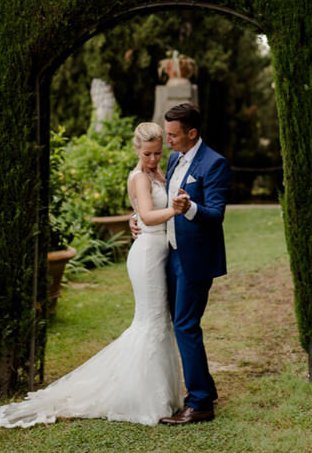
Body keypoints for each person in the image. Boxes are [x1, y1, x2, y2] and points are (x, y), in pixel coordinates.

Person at [0, 122, 183, 428]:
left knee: (161, 322)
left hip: (163, 252)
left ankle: (164, 396)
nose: (153, 159)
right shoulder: (138, 178)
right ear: (136, 149)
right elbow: (147, 215)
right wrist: (173, 210)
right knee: (150, 322)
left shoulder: (160, 172)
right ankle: (144, 398)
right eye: (147, 153)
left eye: (158, 153)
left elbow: (142, 212)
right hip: (147, 255)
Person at [132, 102, 230, 425]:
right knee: (181, 322)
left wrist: (189, 208)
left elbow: (215, 216)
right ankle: (206, 387)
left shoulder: (214, 164)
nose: (168, 141)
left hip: (196, 259)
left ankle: (200, 402)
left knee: (185, 325)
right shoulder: (173, 160)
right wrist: (138, 219)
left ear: (192, 133)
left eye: (173, 135)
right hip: (171, 254)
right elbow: (155, 199)